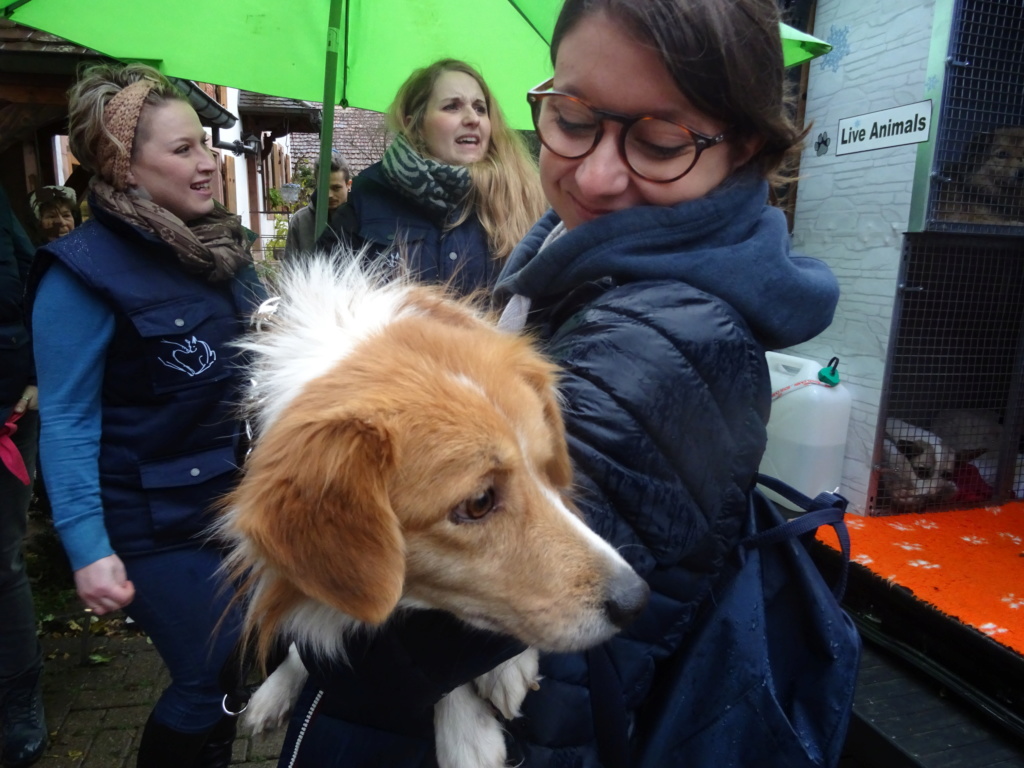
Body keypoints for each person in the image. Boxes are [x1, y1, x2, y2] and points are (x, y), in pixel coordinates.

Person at [272, 0, 842, 766]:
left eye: (662, 140)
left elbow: (376, 666)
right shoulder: (556, 268)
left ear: (740, 147)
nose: (597, 176)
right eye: (572, 120)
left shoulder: (663, 343)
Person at [28, 62, 265, 768]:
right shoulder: (82, 272)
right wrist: (86, 547)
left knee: (242, 664)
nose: (209, 164)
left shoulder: (222, 252)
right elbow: (67, 419)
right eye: (183, 149)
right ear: (123, 168)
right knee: (212, 669)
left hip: (230, 503)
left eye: (206, 145)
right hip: (148, 522)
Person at [319, 57, 546, 295]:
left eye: (480, 108)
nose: (472, 118)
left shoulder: (525, 199)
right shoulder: (368, 200)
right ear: (414, 125)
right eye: (452, 106)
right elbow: (322, 303)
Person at [0, 183, 46, 768]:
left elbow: (30, 279)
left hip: (6, 400)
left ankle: (19, 695)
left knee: (1, 559)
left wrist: (34, 370)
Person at [282, 152, 351, 259]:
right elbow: (289, 267)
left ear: (348, 185)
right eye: (324, 188)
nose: (329, 195)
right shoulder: (300, 221)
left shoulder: (363, 219)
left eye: (336, 188)